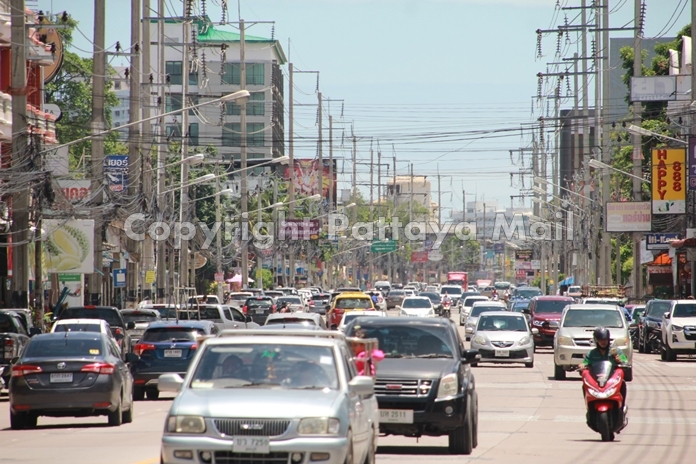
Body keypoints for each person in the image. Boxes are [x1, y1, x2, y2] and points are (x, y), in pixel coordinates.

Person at [578, 327, 628, 406]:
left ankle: (621, 406)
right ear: (596, 341)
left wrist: (620, 360)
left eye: (605, 340)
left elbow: (625, 361)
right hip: (597, 380)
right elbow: (585, 363)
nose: (603, 342)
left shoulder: (615, 351)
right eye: (601, 340)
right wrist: (582, 365)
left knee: (623, 383)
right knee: (584, 386)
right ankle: (589, 406)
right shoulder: (592, 353)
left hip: (611, 379)